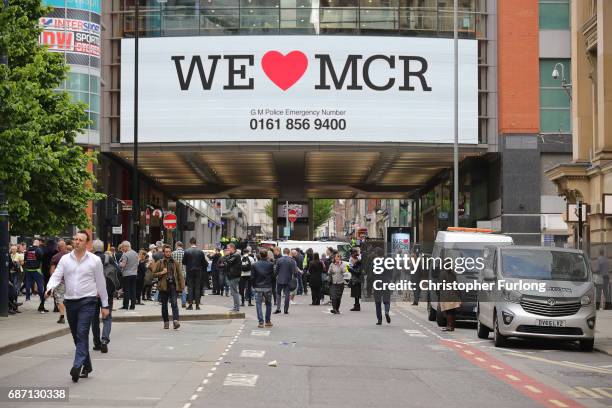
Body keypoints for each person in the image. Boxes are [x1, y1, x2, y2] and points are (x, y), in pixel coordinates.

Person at [45, 230, 109, 383]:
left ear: (86, 243)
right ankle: (87, 366)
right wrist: (50, 287)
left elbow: (101, 283)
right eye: (75, 239)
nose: (77, 242)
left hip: (88, 301)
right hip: (70, 301)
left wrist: (105, 305)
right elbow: (56, 275)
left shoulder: (94, 260)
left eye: (80, 240)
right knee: (76, 335)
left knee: (82, 333)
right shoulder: (66, 259)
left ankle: (77, 365)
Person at [92, 240, 117, 353]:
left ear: (93, 247)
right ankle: (104, 340)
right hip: (107, 292)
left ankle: (97, 343)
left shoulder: (90, 258)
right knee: (107, 317)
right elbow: (117, 272)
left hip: (93, 292)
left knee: (94, 319)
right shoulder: (109, 258)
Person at [152, 245, 185, 329]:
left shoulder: (175, 262)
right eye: (166, 252)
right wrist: (162, 273)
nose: (168, 253)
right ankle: (166, 322)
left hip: (173, 286)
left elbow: (180, 275)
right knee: (164, 305)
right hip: (163, 287)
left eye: (169, 251)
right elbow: (153, 274)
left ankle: (175, 321)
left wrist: (182, 286)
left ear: (171, 252)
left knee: (174, 303)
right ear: (164, 252)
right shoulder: (160, 262)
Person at [182, 237, 208, 310]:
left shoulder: (187, 251)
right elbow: (204, 263)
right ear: (196, 243)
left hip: (189, 271)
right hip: (198, 272)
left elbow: (183, 262)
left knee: (190, 288)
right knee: (197, 288)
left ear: (190, 243)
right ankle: (197, 305)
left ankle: (190, 305)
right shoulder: (200, 252)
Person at [251, 248, 274, 328]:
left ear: (259, 255)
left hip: (258, 287)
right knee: (268, 304)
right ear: (267, 255)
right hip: (268, 286)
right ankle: (268, 321)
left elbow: (252, 277)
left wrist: (253, 285)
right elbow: (272, 276)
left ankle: (261, 322)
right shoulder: (270, 264)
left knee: (258, 304)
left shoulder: (254, 265)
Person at [24, 239, 47, 313]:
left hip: (28, 270)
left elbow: (25, 259)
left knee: (28, 283)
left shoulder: (27, 250)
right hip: (36, 270)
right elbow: (41, 258)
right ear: (38, 244)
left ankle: (27, 297)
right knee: (40, 285)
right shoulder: (38, 250)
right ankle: (41, 298)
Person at [50, 240, 70, 324]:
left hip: (60, 281)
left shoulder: (55, 257)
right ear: (65, 246)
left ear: (58, 248)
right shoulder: (71, 255)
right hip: (71, 280)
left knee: (60, 298)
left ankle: (62, 317)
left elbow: (52, 271)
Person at [274, 248, 299, 315]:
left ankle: (278, 308)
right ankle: (285, 310)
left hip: (279, 279)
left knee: (278, 294)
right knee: (287, 295)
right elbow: (295, 271)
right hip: (288, 280)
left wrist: (274, 276)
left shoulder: (279, 260)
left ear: (283, 252)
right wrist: (295, 278)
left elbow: (276, 270)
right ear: (289, 253)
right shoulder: (292, 261)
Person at [439, 266, 461, 331]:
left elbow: (441, 285)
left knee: (448, 311)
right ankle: (452, 326)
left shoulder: (442, 274)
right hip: (454, 294)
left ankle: (449, 326)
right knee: (453, 311)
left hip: (447, 294)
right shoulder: (453, 273)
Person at [119, 241, 138, 310]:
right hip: (134, 274)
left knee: (126, 290)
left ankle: (125, 305)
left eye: (123, 247)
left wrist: (119, 263)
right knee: (133, 290)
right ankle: (132, 305)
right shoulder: (135, 253)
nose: (122, 248)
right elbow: (137, 264)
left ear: (126, 246)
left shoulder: (125, 254)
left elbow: (123, 265)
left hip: (126, 274)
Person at [223, 243, 242, 312]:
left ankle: (236, 307)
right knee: (234, 292)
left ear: (232, 248)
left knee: (234, 292)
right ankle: (236, 307)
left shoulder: (236, 255)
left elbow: (229, 262)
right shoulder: (233, 255)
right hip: (232, 275)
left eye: (228, 248)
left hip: (234, 276)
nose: (227, 249)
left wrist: (225, 256)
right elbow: (227, 264)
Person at [171, 242, 187, 308]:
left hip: (175, 273)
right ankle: (183, 302)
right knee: (183, 288)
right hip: (183, 272)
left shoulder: (173, 253)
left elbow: (171, 263)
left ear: (177, 245)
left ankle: (174, 302)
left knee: (174, 287)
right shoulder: (185, 253)